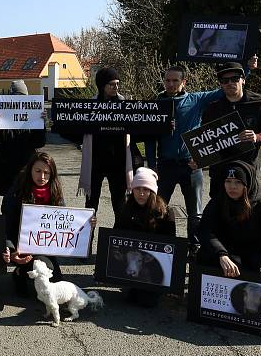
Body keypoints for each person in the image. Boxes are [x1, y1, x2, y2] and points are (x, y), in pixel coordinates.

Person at [145, 65, 224, 248]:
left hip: (191, 165)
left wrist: (246, 70)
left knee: (194, 212)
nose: (171, 84)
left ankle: (194, 247)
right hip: (166, 165)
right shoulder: (156, 104)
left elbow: (224, 90)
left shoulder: (196, 100)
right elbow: (149, 138)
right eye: (167, 80)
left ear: (183, 82)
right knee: (158, 208)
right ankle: (159, 244)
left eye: (175, 80)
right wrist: (151, 164)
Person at [0, 151, 85, 296]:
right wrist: (11, 249)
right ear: (30, 170)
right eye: (38, 171)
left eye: (47, 172)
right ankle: (20, 271)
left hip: (44, 247)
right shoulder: (17, 190)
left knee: (55, 279)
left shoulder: (55, 190)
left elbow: (65, 221)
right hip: (20, 245)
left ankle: (26, 270)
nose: (42, 177)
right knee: (23, 294)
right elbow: (6, 223)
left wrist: (86, 224)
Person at [197, 160, 261, 277]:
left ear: (247, 184)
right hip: (225, 257)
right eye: (228, 181)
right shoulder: (217, 202)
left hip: (250, 262)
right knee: (203, 256)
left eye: (238, 182)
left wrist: (254, 260)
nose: (232, 186)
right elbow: (205, 231)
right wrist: (221, 254)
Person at [202, 61, 261, 197]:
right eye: (224, 80)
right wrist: (198, 157)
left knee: (249, 211)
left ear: (243, 80)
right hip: (220, 172)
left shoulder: (259, 104)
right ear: (220, 84)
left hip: (247, 170)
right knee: (219, 213)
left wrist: (258, 137)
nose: (230, 83)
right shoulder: (212, 108)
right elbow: (204, 139)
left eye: (235, 79)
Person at [76, 67, 140, 216]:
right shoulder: (90, 106)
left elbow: (138, 129)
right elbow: (76, 130)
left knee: (119, 206)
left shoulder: (124, 104)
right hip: (95, 164)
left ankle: (117, 237)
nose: (116, 88)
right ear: (102, 86)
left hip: (117, 164)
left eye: (117, 84)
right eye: (112, 84)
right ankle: (88, 238)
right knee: (91, 206)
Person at [113, 167, 176, 307]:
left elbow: (171, 245)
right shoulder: (124, 209)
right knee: (130, 299)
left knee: (148, 301)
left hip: (152, 262)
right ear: (132, 189)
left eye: (146, 189)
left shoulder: (165, 213)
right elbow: (115, 235)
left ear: (152, 192)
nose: (141, 193)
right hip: (131, 258)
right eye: (137, 188)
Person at [0, 79, 46, 196]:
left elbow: (39, 142)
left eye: (22, 97)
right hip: (7, 167)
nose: (19, 101)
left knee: (27, 200)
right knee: (8, 205)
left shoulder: (33, 116)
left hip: (27, 165)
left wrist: (42, 123)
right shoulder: (3, 116)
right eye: (16, 96)